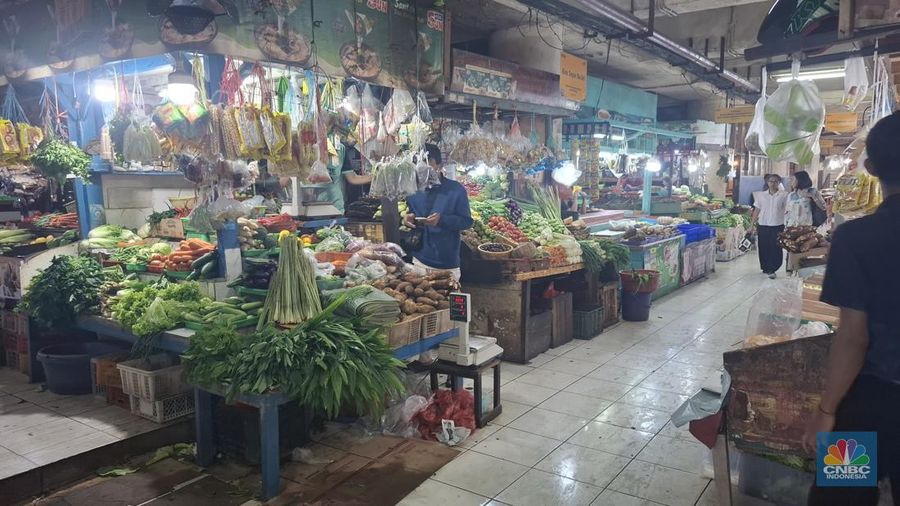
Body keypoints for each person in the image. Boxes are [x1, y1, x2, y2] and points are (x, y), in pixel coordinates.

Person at [803, 112, 900, 505]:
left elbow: (853, 338)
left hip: (868, 404)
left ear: (870, 167)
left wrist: (827, 410)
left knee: (841, 496)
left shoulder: (856, 238)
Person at [403, 144, 473, 281]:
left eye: (427, 164)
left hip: (447, 264)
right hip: (419, 260)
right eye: (418, 164)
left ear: (440, 165)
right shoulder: (413, 190)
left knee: (447, 302)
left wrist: (442, 220)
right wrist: (408, 218)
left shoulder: (456, 190)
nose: (421, 169)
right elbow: (412, 212)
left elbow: (467, 221)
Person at [751, 173, 788, 278]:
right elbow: (757, 210)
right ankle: (765, 267)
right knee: (763, 247)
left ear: (779, 183)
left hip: (777, 225)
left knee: (775, 247)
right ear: (767, 182)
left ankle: (773, 268)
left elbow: (787, 210)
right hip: (763, 224)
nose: (773, 183)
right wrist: (751, 225)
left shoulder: (784, 195)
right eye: (771, 181)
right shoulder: (761, 195)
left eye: (775, 181)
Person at [319, 142, 372, 213]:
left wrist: (376, 177)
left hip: (336, 208)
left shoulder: (340, 149)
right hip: (310, 206)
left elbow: (352, 178)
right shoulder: (305, 146)